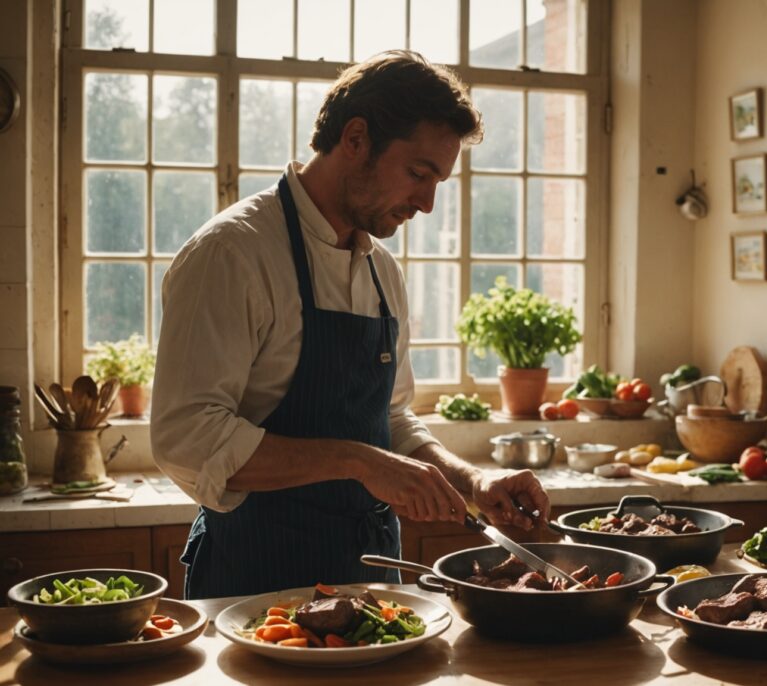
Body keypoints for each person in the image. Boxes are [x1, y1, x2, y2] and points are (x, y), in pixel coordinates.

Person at [151, 51, 550, 599]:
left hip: (373, 585)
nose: (428, 204)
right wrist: (357, 461)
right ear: (356, 138)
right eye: (418, 174)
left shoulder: (382, 270)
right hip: (256, 587)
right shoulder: (233, 253)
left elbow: (389, 419)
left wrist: (475, 482)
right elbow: (186, 437)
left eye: (438, 182)